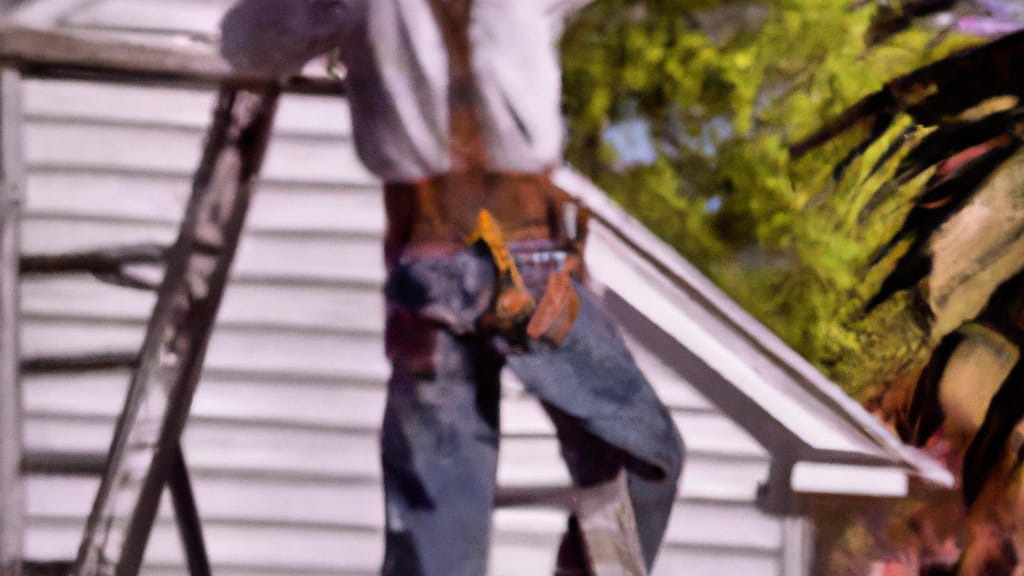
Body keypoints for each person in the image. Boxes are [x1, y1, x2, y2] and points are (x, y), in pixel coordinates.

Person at [219, 1, 685, 574]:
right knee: (640, 457)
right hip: (521, 263)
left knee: (439, 537)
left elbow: (247, 43)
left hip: (446, 269)